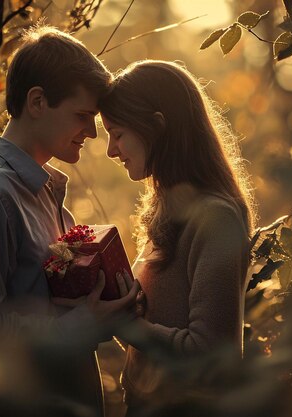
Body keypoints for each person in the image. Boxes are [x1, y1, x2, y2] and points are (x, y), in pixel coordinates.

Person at [0, 25, 139, 416]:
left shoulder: (43, 190)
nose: (93, 133)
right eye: (83, 115)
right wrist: (80, 324)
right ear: (37, 102)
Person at [98, 60, 256, 413]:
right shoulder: (167, 208)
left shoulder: (215, 218)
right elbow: (158, 328)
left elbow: (211, 352)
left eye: (118, 133)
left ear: (157, 127)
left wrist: (127, 326)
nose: (111, 150)